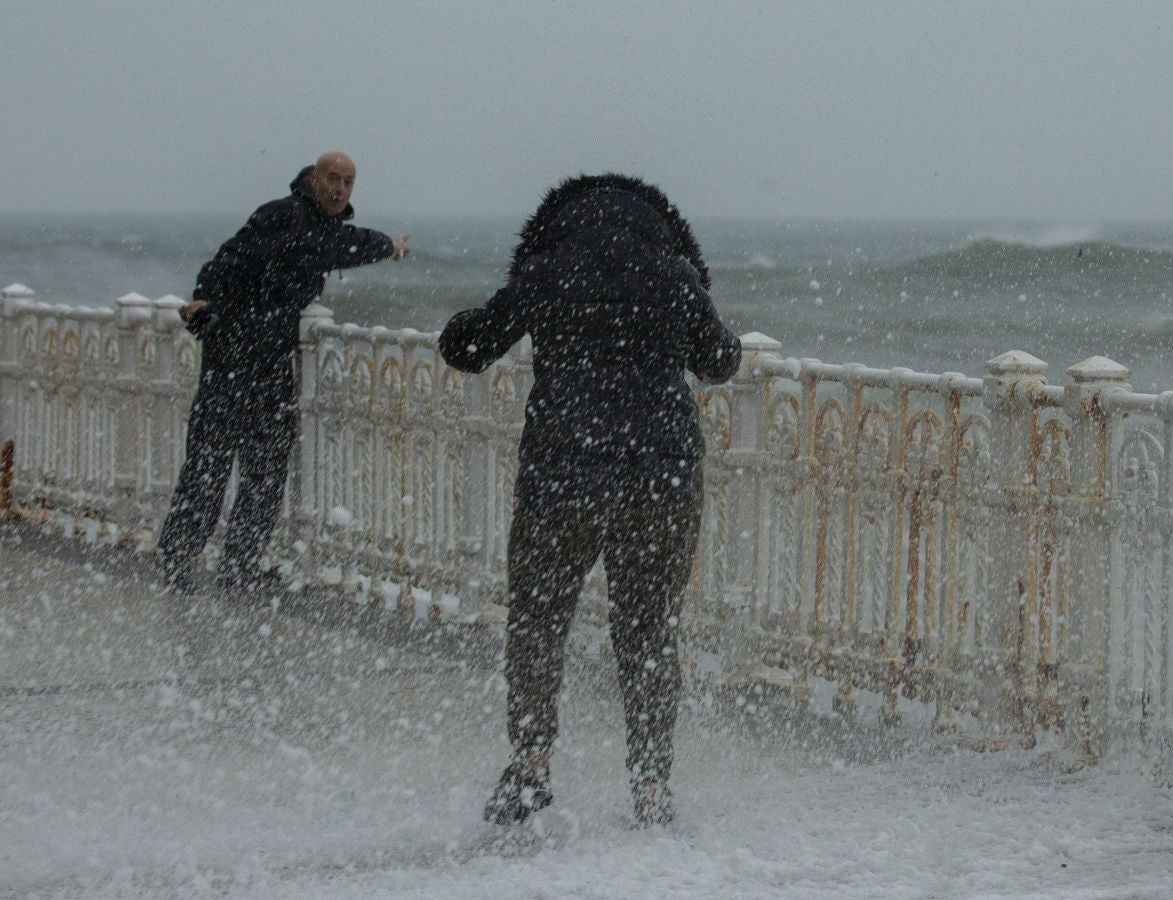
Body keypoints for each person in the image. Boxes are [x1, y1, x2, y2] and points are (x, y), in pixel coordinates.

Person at [439, 173, 741, 828]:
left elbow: (468, 348)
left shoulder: (548, 270)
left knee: (539, 619)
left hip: (561, 474)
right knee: (648, 628)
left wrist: (468, 319)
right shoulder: (672, 276)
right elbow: (719, 362)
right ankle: (653, 785)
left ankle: (532, 765)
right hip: (659, 476)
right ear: (654, 223)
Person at [157, 151, 410, 595]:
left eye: (348, 182)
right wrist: (204, 298)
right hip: (232, 354)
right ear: (313, 178)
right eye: (333, 178)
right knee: (208, 466)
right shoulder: (283, 215)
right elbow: (227, 260)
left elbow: (342, 243)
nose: (339, 189)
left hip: (271, 361)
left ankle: (241, 564)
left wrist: (388, 247)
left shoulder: (324, 228)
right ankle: (177, 558)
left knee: (266, 468)